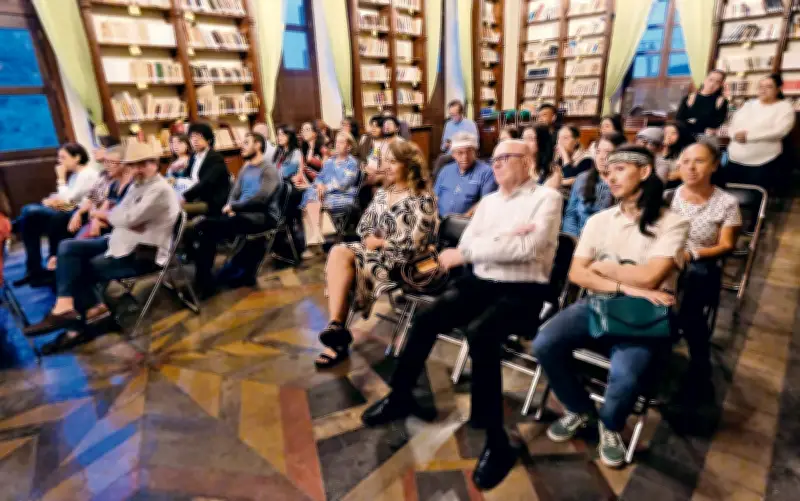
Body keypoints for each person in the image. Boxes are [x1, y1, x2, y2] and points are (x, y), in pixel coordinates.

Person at [361, 139, 563, 490]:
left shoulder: (546, 198)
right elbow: (466, 244)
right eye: (494, 158)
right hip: (481, 281)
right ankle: (400, 396)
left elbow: (527, 247)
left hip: (524, 292)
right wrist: (499, 242)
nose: (496, 164)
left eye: (505, 158)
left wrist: (484, 247)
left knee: (481, 333)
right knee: (426, 318)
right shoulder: (489, 202)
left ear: (527, 160)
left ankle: (497, 443)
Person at [532, 145, 689, 468]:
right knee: (544, 342)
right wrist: (625, 284)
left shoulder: (672, 223)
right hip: (600, 302)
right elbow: (577, 274)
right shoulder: (600, 220)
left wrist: (605, 268)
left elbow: (651, 276)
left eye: (620, 169)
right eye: (608, 170)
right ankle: (578, 408)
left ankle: (610, 425)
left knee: (626, 377)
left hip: (643, 315)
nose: (610, 176)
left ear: (644, 172)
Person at [22, 141, 181, 353]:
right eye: (134, 165)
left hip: (143, 252)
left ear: (156, 163)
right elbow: (119, 215)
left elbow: (125, 218)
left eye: (144, 164)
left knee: (76, 267)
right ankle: (66, 306)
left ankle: (78, 328)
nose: (138, 169)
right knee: (67, 248)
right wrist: (106, 216)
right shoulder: (135, 185)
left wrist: (104, 215)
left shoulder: (159, 190)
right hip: (122, 240)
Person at [314, 140, 437, 369]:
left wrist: (379, 242)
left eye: (393, 162)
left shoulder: (422, 198)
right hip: (376, 253)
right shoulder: (383, 193)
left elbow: (416, 243)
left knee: (349, 270)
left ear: (408, 165)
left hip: (407, 262)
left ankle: (336, 339)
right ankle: (336, 327)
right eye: (385, 161)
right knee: (339, 252)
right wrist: (372, 240)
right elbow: (364, 227)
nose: (387, 167)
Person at [671, 142, 741, 392]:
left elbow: (726, 245)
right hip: (666, 257)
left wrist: (694, 254)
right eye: (686, 160)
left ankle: (699, 364)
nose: (691, 167)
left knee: (693, 285)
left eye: (699, 161)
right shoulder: (671, 195)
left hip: (700, 261)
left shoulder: (726, 202)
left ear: (714, 165)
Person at [187, 133, 280, 296]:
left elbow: (262, 199)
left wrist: (235, 208)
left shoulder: (269, 169)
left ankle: (205, 283)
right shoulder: (245, 168)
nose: (242, 146)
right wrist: (230, 206)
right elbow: (234, 192)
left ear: (258, 145)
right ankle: (204, 280)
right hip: (241, 215)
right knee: (203, 228)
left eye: (246, 142)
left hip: (262, 217)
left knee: (205, 227)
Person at [13, 142, 98, 287]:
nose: (60, 162)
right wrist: (53, 199)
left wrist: (60, 178)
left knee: (30, 212)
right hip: (66, 209)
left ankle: (10, 228)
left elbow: (69, 200)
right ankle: (34, 270)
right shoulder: (75, 176)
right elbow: (65, 197)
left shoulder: (87, 174)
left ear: (77, 157)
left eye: (63, 158)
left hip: (76, 214)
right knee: (29, 217)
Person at [726, 73, 795, 190]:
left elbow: (780, 131)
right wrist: (734, 135)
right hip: (734, 159)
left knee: (755, 197)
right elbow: (731, 125)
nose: (763, 90)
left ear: (778, 89)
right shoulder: (748, 105)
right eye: (761, 86)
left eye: (768, 87)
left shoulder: (784, 107)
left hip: (763, 162)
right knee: (731, 194)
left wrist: (748, 137)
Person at [300, 131, 361, 248]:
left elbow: (344, 184)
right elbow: (319, 178)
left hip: (343, 195)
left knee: (312, 199)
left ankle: (317, 239)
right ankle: (317, 233)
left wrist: (325, 188)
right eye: (336, 142)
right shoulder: (329, 162)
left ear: (349, 146)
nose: (337, 145)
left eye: (341, 142)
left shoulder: (352, 163)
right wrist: (319, 185)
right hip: (324, 195)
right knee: (310, 193)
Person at [562, 132, 625, 237]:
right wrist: (573, 240)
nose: (601, 157)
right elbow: (571, 214)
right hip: (579, 238)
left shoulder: (623, 184)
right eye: (598, 151)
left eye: (608, 152)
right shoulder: (582, 178)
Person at [67, 144, 133, 241]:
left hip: (119, 230)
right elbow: (95, 201)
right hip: (102, 221)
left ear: (124, 164)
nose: (107, 165)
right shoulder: (113, 183)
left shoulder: (132, 185)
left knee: (68, 246)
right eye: (106, 161)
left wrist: (95, 215)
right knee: (68, 242)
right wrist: (94, 218)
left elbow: (122, 216)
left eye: (111, 162)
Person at [434, 132, 497, 218]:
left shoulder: (487, 172)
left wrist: (461, 221)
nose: (465, 157)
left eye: (469, 152)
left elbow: (485, 203)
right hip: (439, 222)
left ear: (475, 152)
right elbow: (435, 197)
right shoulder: (445, 170)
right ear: (453, 154)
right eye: (460, 153)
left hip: (467, 224)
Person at [180, 122, 231, 216]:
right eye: (192, 137)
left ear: (208, 140)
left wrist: (185, 197)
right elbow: (187, 177)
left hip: (210, 202)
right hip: (195, 198)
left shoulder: (215, 158)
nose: (195, 140)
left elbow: (206, 183)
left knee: (175, 209)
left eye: (199, 137)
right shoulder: (193, 157)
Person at [676, 70, 729, 137]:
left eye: (717, 82)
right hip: (685, 135)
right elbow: (678, 120)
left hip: (705, 138)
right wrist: (702, 122)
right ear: (705, 80)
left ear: (721, 85)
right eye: (710, 80)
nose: (712, 84)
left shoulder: (721, 101)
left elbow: (716, 124)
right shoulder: (689, 98)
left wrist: (693, 121)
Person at [555, 125, 594, 190]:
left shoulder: (587, 159)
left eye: (565, 138)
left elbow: (569, 178)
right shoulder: (556, 157)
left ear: (576, 141)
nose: (560, 142)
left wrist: (565, 156)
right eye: (559, 138)